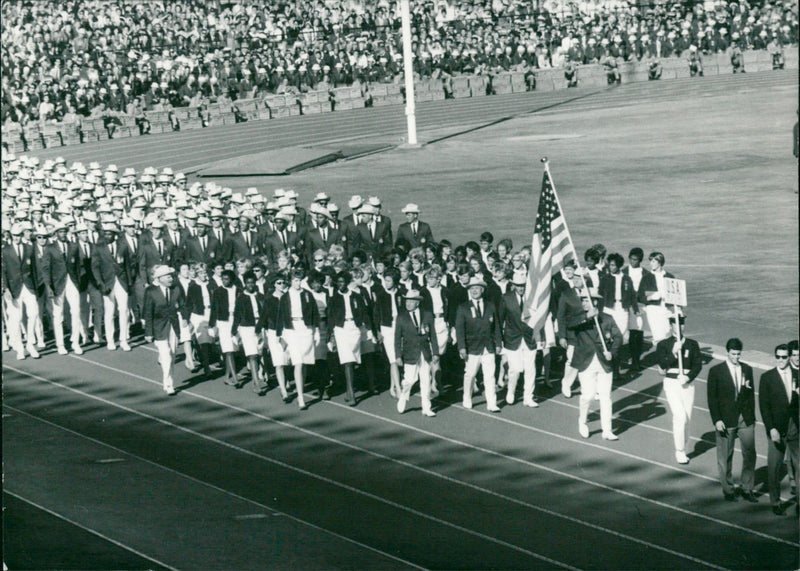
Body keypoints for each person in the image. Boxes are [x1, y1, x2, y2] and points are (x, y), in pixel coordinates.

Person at [707, 338, 757, 502]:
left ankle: (747, 488)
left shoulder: (747, 369)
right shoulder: (716, 371)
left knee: (749, 453)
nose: (736, 357)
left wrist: (752, 417)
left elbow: (750, 395)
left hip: (745, 419)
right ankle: (728, 489)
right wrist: (717, 420)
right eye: (733, 354)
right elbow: (712, 398)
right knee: (725, 456)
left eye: (738, 354)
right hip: (726, 419)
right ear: (727, 352)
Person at [571, 297, 622, 440]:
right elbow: (570, 324)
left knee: (606, 397)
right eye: (582, 301)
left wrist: (612, 352)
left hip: (604, 363)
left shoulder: (607, 318)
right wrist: (587, 316)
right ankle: (582, 421)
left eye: (586, 300)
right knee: (588, 395)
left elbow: (618, 337)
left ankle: (607, 430)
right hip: (586, 362)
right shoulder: (579, 317)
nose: (583, 303)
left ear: (595, 302)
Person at [655, 315, 703, 464]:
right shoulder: (663, 344)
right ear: (671, 326)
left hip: (687, 383)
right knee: (680, 416)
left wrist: (688, 377)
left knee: (687, 419)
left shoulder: (692, 344)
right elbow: (662, 365)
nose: (680, 326)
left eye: (682, 323)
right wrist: (674, 353)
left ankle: (684, 446)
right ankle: (679, 450)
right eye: (676, 323)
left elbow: (697, 364)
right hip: (671, 383)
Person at [759, 344, 799, 515]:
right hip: (777, 428)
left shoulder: (797, 375)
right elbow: (764, 406)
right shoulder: (767, 377)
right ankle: (775, 502)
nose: (781, 360)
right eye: (778, 356)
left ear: (789, 357)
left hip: (795, 427)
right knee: (774, 467)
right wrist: (771, 428)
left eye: (784, 357)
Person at [455, 275, 501, 412]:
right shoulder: (463, 307)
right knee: (470, 374)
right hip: (472, 347)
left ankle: (491, 402)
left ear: (482, 290)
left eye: (477, 288)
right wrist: (462, 347)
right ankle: (467, 397)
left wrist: (498, 343)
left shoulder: (490, 305)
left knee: (490, 376)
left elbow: (497, 326)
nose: (474, 291)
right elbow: (459, 329)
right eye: (472, 288)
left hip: (488, 347)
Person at [277, 267, 321, 410]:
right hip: (292, 330)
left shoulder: (307, 294)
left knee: (305, 361)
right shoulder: (285, 297)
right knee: (298, 362)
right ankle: (301, 397)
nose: (298, 283)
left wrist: (316, 331)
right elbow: (281, 316)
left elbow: (314, 313)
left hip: (306, 329)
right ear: (290, 281)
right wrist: (281, 335)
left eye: (299, 280)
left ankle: (300, 388)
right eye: (295, 280)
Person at [328, 270, 374, 405]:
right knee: (347, 361)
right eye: (338, 282)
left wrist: (370, 330)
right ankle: (352, 394)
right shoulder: (334, 298)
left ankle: (349, 392)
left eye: (343, 282)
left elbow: (364, 313)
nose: (340, 284)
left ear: (347, 283)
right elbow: (331, 317)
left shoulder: (356, 296)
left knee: (352, 360)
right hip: (341, 330)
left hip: (355, 329)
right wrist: (331, 336)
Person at [395, 289, 439, 417]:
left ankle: (426, 407)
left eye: (411, 301)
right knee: (409, 379)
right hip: (409, 353)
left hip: (424, 352)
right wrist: (398, 355)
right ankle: (403, 396)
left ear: (417, 303)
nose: (408, 303)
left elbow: (433, 335)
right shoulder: (401, 317)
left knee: (426, 379)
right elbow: (397, 338)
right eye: (406, 301)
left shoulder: (427, 315)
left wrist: (435, 352)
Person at [143, 265, 185, 396]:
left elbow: (183, 304)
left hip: (173, 326)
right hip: (158, 327)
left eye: (171, 276)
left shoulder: (176, 289)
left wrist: (185, 318)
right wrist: (148, 333)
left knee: (172, 355)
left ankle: (168, 381)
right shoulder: (151, 291)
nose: (171, 279)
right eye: (168, 277)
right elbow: (148, 313)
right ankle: (168, 384)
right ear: (159, 279)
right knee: (166, 355)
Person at [91, 223, 133, 351]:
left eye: (110, 233)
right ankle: (110, 339)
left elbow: (127, 265)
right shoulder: (98, 248)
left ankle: (123, 339)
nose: (107, 236)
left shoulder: (123, 246)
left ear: (115, 235)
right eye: (105, 233)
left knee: (124, 310)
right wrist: (100, 283)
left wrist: (129, 282)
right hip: (107, 283)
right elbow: (95, 267)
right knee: (109, 312)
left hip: (121, 281)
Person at [2, 223, 40, 360]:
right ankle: (19, 348)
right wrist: (5, 289)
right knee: (16, 319)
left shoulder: (29, 248)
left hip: (29, 286)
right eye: (14, 235)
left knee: (34, 314)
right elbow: (3, 271)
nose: (17, 238)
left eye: (19, 235)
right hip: (13, 289)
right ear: (11, 236)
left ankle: (30, 343)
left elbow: (35, 269)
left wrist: (36, 288)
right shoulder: (5, 250)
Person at [499, 274, 538, 407]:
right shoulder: (506, 298)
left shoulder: (532, 298)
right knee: (515, 369)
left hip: (530, 338)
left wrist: (541, 337)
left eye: (523, 285)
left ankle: (529, 397)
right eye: (519, 285)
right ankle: (511, 391)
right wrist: (499, 341)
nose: (521, 288)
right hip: (512, 338)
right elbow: (500, 320)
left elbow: (539, 319)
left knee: (530, 369)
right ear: (513, 285)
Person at [599, 253, 637, 379]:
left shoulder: (627, 279)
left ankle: (615, 369)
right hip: (608, 309)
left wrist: (635, 309)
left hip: (622, 309)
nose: (611, 267)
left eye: (614, 265)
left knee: (618, 339)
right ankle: (606, 367)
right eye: (610, 265)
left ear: (619, 266)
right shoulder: (605, 278)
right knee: (607, 338)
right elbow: (600, 296)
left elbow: (632, 295)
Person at [232, 270, 267, 395]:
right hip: (247, 328)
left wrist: (262, 326)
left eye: (252, 282)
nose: (250, 285)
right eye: (248, 283)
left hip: (260, 326)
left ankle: (262, 372)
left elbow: (265, 314)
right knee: (252, 355)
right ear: (245, 284)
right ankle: (256, 382)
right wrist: (233, 330)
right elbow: (237, 315)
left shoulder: (261, 296)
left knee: (261, 353)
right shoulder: (241, 298)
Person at [208, 269, 240, 387]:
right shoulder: (218, 292)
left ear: (232, 279)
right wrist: (212, 325)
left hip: (236, 321)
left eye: (226, 279)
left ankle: (227, 377)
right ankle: (235, 377)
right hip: (223, 322)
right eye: (223, 279)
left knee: (233, 349)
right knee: (228, 350)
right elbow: (214, 309)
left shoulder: (238, 291)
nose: (224, 281)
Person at [623, 248, 650, 374]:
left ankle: (635, 360)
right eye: (631, 259)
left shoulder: (645, 273)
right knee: (623, 332)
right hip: (624, 305)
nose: (633, 262)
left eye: (635, 260)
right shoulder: (623, 272)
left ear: (640, 260)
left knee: (637, 333)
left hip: (638, 306)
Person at [639, 251, 674, 345]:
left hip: (667, 309)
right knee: (658, 336)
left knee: (668, 334)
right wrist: (651, 297)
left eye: (653, 261)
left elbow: (676, 294)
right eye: (650, 261)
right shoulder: (646, 278)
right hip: (653, 310)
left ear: (660, 262)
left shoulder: (670, 277)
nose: (651, 263)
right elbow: (640, 296)